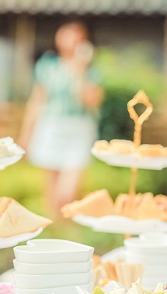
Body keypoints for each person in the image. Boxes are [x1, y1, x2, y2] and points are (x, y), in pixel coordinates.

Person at [19, 21, 103, 217]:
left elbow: (91, 102)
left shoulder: (90, 70)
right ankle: (57, 232)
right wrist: (26, 135)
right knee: (51, 191)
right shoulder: (48, 65)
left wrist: (80, 71)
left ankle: (68, 227)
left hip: (79, 128)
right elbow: (36, 101)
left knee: (68, 193)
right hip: (51, 126)